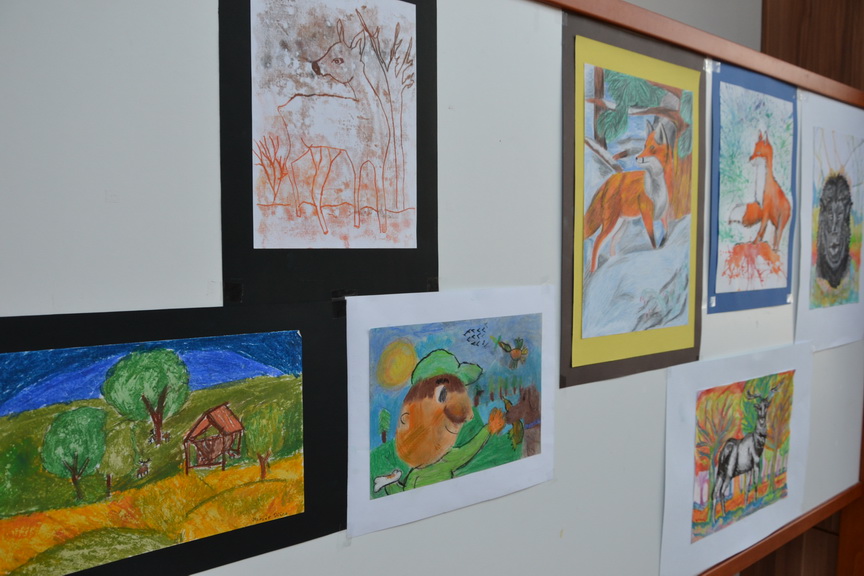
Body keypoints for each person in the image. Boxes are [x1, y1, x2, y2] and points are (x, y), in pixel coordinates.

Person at [374, 349, 505, 493]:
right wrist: (391, 485)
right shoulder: (415, 474)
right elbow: (405, 494)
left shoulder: (447, 459)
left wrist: (488, 429)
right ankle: (390, 482)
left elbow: (470, 449)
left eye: (453, 429)